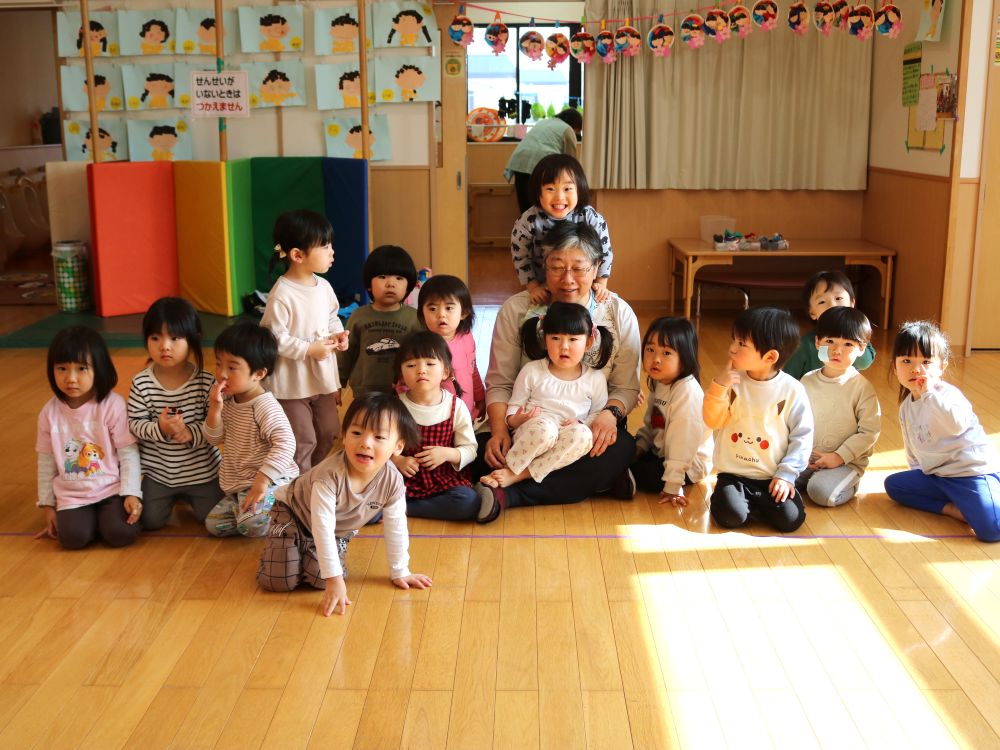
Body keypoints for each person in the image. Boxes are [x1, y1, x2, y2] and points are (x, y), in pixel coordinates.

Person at [475, 222, 641, 519]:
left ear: (596, 268)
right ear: (543, 266)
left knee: (621, 448)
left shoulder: (618, 312)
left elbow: (626, 387)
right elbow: (500, 382)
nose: (567, 280)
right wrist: (499, 430)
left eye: (578, 268)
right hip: (527, 428)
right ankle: (598, 482)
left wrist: (608, 415)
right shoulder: (516, 309)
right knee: (482, 451)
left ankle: (508, 492)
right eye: (556, 267)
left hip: (584, 426)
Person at [257, 393, 434, 616]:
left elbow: (396, 527)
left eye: (379, 437)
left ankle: (301, 550)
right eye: (357, 433)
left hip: (334, 531)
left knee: (320, 579)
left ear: (398, 447)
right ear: (344, 435)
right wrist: (335, 580)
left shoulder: (392, 480)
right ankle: (283, 541)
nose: (365, 443)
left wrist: (400, 571)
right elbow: (322, 526)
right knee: (279, 581)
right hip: (293, 514)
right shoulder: (329, 475)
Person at [480, 302, 610, 519]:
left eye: (573, 340)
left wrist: (582, 424)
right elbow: (513, 408)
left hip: (566, 438)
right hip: (534, 432)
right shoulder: (532, 371)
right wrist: (517, 420)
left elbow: (597, 413)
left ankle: (518, 474)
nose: (564, 347)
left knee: (584, 435)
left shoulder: (595, 379)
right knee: (546, 430)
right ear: (544, 338)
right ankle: (511, 468)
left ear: (588, 342)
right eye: (556, 338)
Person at [884, 321, 1000, 542]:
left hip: (971, 474)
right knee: (894, 485)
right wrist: (918, 474)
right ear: (894, 367)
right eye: (906, 361)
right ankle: (953, 509)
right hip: (938, 477)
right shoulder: (906, 406)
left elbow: (956, 425)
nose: (916, 369)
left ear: (942, 367)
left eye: (926, 362)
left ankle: (989, 492)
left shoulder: (948, 395)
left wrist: (929, 395)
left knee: (992, 530)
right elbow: (912, 447)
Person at [703, 307, 813, 533]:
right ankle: (747, 504)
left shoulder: (792, 390)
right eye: (734, 340)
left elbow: (802, 436)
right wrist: (718, 387)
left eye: (741, 344)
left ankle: (757, 505)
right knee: (729, 516)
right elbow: (713, 421)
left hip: (772, 475)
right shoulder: (731, 381)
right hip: (734, 474)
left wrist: (786, 475)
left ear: (770, 357)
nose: (732, 348)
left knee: (791, 520)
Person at [36, 326, 142, 549]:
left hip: (111, 490)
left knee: (121, 533)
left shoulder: (113, 405)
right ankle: (91, 523)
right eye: (62, 369)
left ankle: (102, 522)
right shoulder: (48, 413)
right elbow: (46, 462)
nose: (71, 378)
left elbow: (128, 454)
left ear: (99, 368)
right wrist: (48, 505)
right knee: (71, 538)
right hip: (72, 496)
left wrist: (132, 493)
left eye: (81, 368)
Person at [261, 209, 350, 473]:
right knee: (303, 440)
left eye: (330, 245)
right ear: (297, 255)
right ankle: (297, 484)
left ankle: (312, 475)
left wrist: (338, 334)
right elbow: (273, 338)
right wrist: (308, 349)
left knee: (329, 431)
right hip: (291, 383)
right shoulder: (282, 293)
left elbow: (332, 317)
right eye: (325, 246)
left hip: (321, 379)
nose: (332, 252)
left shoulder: (324, 287)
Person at [128, 297, 222, 530]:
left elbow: (216, 427)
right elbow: (134, 424)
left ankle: (188, 496)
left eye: (175, 338)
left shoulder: (205, 382)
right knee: (150, 521)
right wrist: (160, 427)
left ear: (192, 339)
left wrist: (191, 432)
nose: (165, 346)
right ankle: (173, 497)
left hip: (202, 473)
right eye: (155, 338)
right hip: (159, 474)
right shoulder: (141, 383)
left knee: (213, 518)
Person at [204, 323, 298, 537]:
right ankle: (251, 514)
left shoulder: (264, 405)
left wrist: (262, 481)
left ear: (258, 373)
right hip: (242, 485)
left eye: (232, 367)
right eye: (218, 364)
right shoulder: (228, 400)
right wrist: (215, 409)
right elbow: (214, 439)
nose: (222, 374)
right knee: (214, 525)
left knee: (252, 524)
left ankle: (290, 508)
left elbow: (286, 444)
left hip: (272, 481)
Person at [797, 307, 881, 507]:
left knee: (820, 492)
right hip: (808, 458)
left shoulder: (861, 388)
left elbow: (869, 432)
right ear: (818, 343)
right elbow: (794, 420)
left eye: (848, 344)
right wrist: (797, 451)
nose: (837, 350)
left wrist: (838, 457)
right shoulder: (807, 380)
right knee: (770, 478)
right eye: (830, 341)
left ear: (862, 348)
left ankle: (848, 483)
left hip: (845, 462)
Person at [393, 332, 479, 520]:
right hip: (403, 480)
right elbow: (381, 445)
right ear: (401, 373)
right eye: (411, 365)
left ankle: (403, 509)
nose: (421, 370)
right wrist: (397, 460)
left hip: (444, 481)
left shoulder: (456, 406)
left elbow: (470, 449)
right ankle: (393, 506)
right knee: (371, 492)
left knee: (468, 502)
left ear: (445, 372)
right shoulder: (395, 406)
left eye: (430, 364)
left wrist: (447, 454)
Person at [510, 153, 613, 304]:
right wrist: (533, 287)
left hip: (580, 284)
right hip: (543, 285)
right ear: (538, 192)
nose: (559, 197)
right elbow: (520, 256)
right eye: (550, 189)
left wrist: (601, 283)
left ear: (579, 190)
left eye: (567, 188)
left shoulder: (590, 217)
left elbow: (605, 252)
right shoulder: (527, 221)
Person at [631, 316, 713, 505]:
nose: (656, 359)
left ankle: (626, 477)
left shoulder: (686, 392)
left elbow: (682, 443)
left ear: (685, 358)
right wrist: (640, 446)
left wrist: (673, 485)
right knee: (625, 449)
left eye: (666, 353)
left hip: (688, 465)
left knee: (648, 476)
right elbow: (652, 423)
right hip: (663, 452)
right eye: (650, 349)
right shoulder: (660, 381)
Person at [337, 245, 420, 399]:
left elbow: (425, 353)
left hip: (404, 390)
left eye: (399, 278)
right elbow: (345, 353)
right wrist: (337, 383)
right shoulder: (359, 316)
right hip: (364, 391)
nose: (391, 283)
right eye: (382, 277)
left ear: (408, 286)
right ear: (369, 284)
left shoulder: (414, 318)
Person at [784, 271, 876, 379]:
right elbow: (788, 378)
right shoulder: (805, 345)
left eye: (838, 298)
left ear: (852, 303)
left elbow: (865, 362)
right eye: (822, 302)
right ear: (812, 312)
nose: (832, 305)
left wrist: (855, 342)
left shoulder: (857, 334)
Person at [416, 274, 485, 420]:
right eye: (432, 308)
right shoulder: (422, 347)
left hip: (465, 413)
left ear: (464, 312)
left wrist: (480, 396)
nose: (441, 315)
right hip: (437, 419)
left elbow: (472, 369)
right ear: (422, 314)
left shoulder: (466, 337)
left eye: (449, 308)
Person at [505, 108, 583, 214]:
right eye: (577, 131)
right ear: (576, 125)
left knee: (526, 209)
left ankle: (526, 225)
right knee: (542, 208)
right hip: (541, 165)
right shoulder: (567, 129)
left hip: (519, 163)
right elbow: (571, 162)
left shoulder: (543, 122)